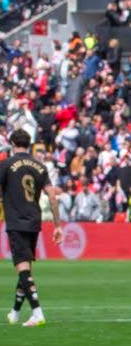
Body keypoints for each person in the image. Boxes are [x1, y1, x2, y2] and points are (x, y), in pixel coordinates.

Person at [2, 129, 63, 327]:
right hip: (34, 221)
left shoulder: (6, 164)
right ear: (29, 145)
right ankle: (15, 312)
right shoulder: (39, 166)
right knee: (26, 266)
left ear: (12, 144)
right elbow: (52, 196)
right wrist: (58, 226)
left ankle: (37, 313)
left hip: (16, 221)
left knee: (23, 268)